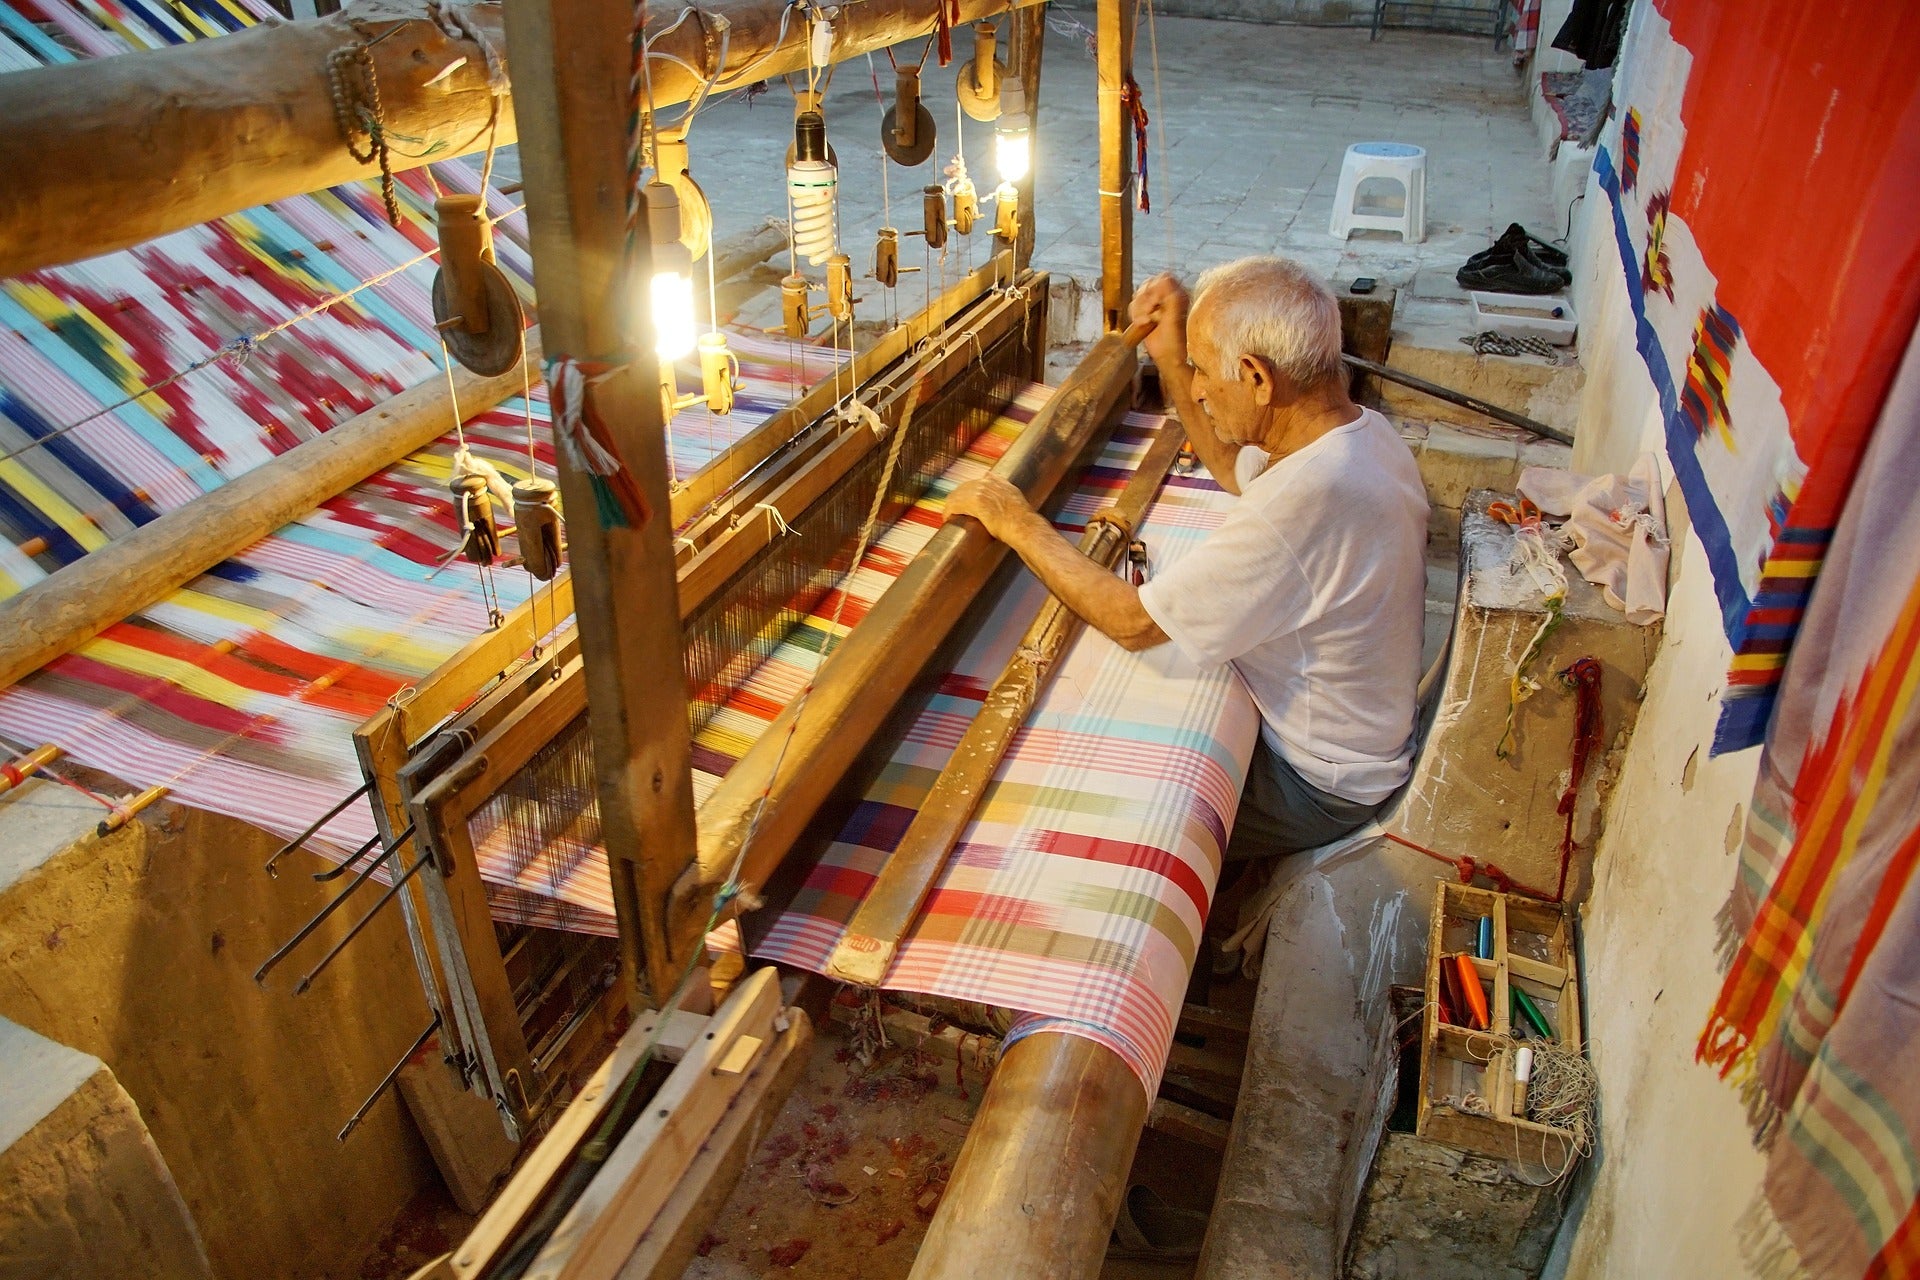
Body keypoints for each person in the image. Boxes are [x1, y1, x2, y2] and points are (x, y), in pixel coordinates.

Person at [943, 256, 1429, 860]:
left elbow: (1134, 621)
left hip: (1315, 786)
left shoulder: (1309, 503)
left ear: (1256, 378)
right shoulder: (1359, 436)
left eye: (1203, 371)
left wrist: (1016, 521)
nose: (1197, 387)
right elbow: (1230, 468)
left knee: (1091, 810)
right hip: (1356, 741)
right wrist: (1172, 357)